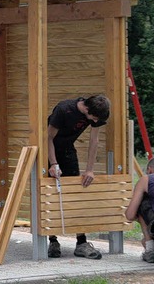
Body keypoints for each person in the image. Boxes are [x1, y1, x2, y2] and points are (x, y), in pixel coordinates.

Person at [47, 94, 111, 260]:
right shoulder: (64, 109)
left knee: (77, 193)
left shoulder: (96, 114)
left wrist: (89, 170)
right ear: (87, 109)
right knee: (50, 195)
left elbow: (94, 140)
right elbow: (48, 138)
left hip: (68, 150)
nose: (95, 122)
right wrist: (53, 163)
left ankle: (81, 242)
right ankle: (52, 239)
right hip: (49, 150)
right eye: (94, 118)